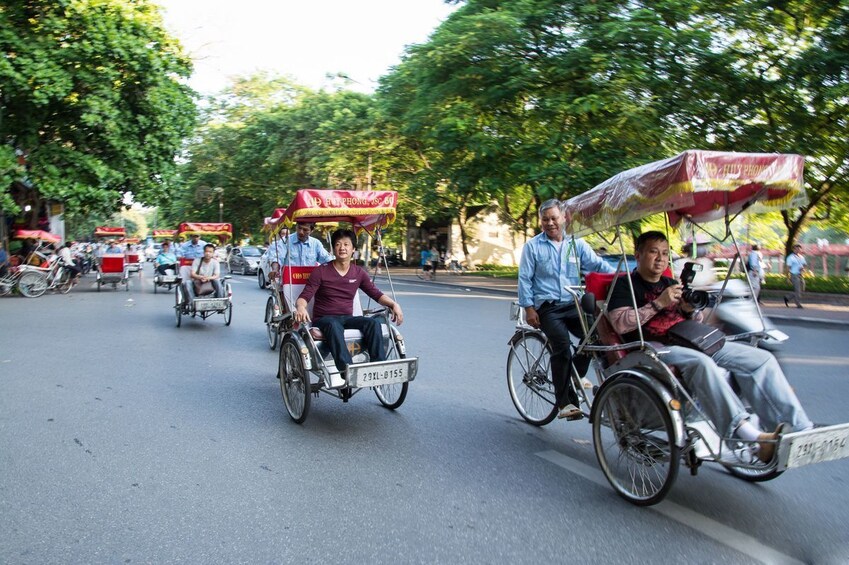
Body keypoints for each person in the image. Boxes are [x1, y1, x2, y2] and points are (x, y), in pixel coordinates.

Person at [607, 231, 812, 462]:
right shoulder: (624, 285)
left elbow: (695, 321)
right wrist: (658, 303)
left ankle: (798, 429)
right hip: (654, 349)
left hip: (692, 339)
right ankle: (750, 437)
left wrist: (688, 310)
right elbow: (621, 324)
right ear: (639, 254)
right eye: (653, 252)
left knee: (761, 358)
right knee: (702, 364)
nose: (660, 259)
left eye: (664, 253)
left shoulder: (671, 282)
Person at [517, 199, 616, 420]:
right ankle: (566, 403)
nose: (550, 223)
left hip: (574, 304)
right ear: (541, 222)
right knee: (561, 346)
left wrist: (619, 278)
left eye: (554, 218)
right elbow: (524, 279)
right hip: (548, 307)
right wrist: (529, 308)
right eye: (545, 219)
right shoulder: (533, 246)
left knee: (596, 337)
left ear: (564, 218)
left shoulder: (576, 243)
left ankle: (574, 375)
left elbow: (598, 265)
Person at [294, 228, 404, 376]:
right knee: (333, 325)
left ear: (353, 249)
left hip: (347, 318)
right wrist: (301, 308)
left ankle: (379, 367)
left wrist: (393, 304)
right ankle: (347, 370)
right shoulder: (321, 271)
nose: (342, 248)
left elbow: (375, 293)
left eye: (346, 244)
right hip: (325, 319)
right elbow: (305, 296)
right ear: (333, 249)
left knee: (373, 323)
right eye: (338, 244)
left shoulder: (358, 272)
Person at [267, 222, 333, 280]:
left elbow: (327, 259)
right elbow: (278, 259)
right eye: (299, 228)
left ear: (311, 231)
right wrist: (275, 270)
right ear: (296, 227)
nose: (301, 232)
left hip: (309, 284)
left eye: (305, 230)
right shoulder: (286, 241)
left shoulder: (316, 243)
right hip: (289, 284)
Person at [784, 244, 807, 308]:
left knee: (802, 289)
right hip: (793, 274)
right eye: (796, 249)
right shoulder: (790, 257)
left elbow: (805, 264)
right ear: (793, 249)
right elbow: (788, 268)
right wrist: (788, 277)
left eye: (799, 249)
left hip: (800, 274)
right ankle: (798, 304)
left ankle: (787, 297)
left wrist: (803, 268)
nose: (797, 250)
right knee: (797, 289)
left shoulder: (801, 257)